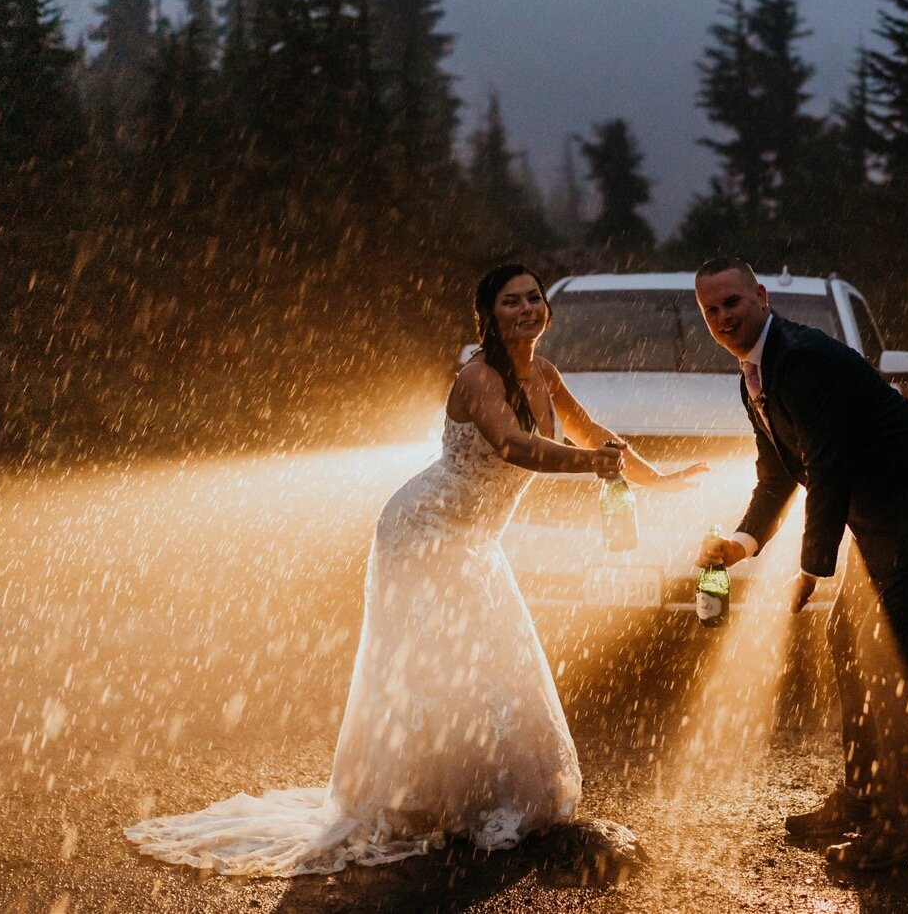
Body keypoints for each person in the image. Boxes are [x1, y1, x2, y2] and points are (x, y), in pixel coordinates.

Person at [126, 264, 705, 876]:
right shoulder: (478, 377)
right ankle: (421, 802)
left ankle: (476, 798)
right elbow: (514, 447)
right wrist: (593, 465)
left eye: (535, 298)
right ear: (489, 315)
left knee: (492, 660)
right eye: (512, 301)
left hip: (478, 541)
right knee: (440, 664)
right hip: (424, 529)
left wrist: (658, 478)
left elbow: (596, 433)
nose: (528, 308)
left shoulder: (546, 374)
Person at [692, 257, 908, 873]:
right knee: (848, 641)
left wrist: (813, 566)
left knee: (888, 656)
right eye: (711, 310)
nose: (724, 317)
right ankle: (861, 796)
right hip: (883, 511)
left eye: (732, 302)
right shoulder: (754, 373)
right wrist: (742, 543)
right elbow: (780, 471)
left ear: (759, 296)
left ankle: (902, 829)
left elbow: (828, 466)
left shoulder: (803, 359)